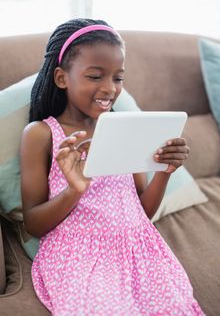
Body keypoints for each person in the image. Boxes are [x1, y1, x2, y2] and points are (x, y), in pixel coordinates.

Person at [20, 18, 204, 315]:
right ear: (61, 78)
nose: (109, 89)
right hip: (79, 255)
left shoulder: (126, 129)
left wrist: (164, 173)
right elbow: (33, 224)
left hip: (140, 250)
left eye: (118, 78)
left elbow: (141, 210)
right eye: (95, 76)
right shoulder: (41, 134)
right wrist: (74, 190)